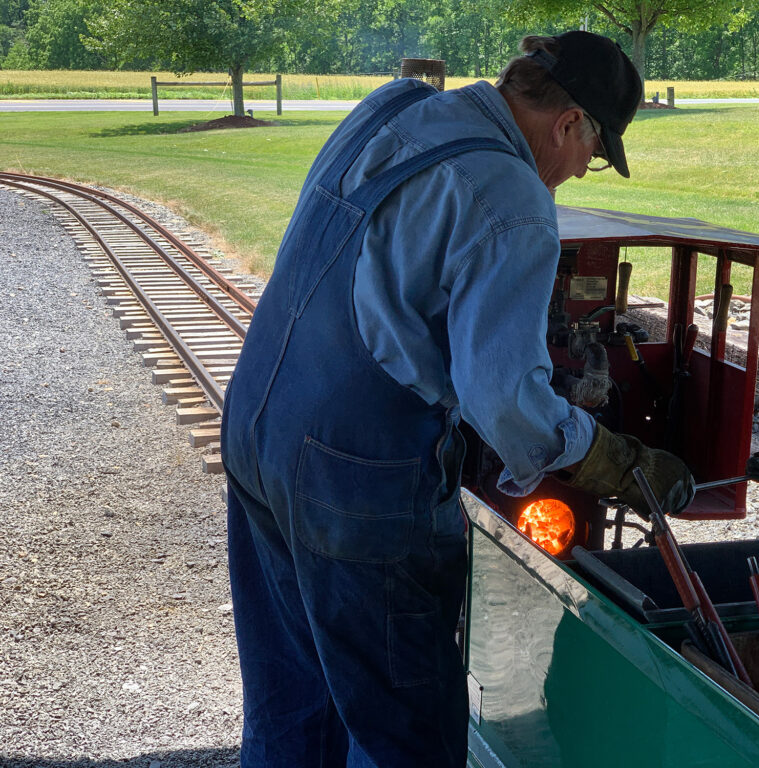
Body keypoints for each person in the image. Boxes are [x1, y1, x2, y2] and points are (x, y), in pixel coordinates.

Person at [221, 30, 695, 767]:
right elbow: (504, 401)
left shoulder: (392, 107)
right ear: (570, 123)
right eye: (593, 156)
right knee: (401, 725)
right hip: (356, 469)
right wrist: (603, 455)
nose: (577, 174)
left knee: (296, 697)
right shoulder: (513, 200)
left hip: (258, 422)